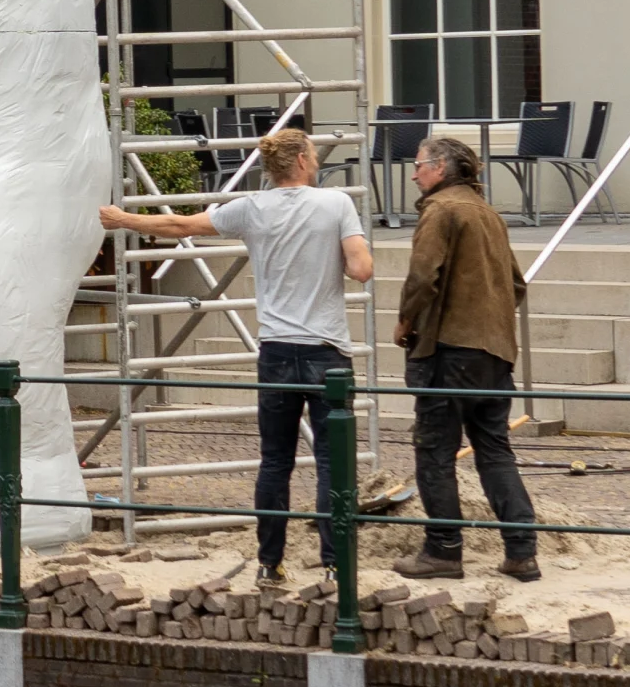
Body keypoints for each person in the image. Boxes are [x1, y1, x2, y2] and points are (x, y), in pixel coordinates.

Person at [99, 126, 373, 583]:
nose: (316, 160)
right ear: (301, 160)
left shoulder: (251, 208)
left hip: (276, 350)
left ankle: (269, 564)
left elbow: (181, 226)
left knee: (275, 461)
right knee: (332, 461)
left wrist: (124, 219)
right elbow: (361, 269)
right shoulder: (336, 204)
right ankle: (334, 566)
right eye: (313, 153)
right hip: (327, 352)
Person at [395, 131, 538, 581]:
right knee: (494, 451)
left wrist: (405, 322)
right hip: (494, 352)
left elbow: (423, 278)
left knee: (434, 451)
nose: (414, 174)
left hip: (449, 351)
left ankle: (443, 550)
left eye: (419, 165)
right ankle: (522, 552)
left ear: (440, 168)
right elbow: (516, 285)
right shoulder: (487, 213)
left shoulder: (441, 210)